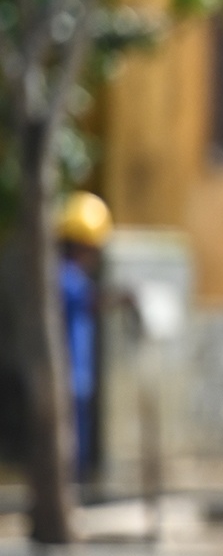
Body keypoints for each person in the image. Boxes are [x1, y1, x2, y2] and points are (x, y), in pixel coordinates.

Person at [56, 191, 111, 482]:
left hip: (77, 376)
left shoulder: (71, 276)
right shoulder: (64, 276)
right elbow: (91, 300)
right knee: (70, 444)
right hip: (67, 376)